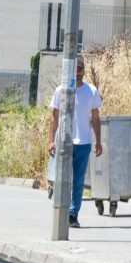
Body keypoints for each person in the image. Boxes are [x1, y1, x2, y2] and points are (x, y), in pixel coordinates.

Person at [47, 58, 102, 227]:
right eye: (74, 70)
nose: (77, 73)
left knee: (78, 181)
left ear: (83, 71)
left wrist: (98, 141)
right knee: (62, 178)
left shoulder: (91, 91)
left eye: (79, 69)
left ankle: (72, 214)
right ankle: (60, 209)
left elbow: (95, 117)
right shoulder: (61, 91)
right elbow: (54, 118)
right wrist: (51, 140)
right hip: (64, 141)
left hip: (83, 142)